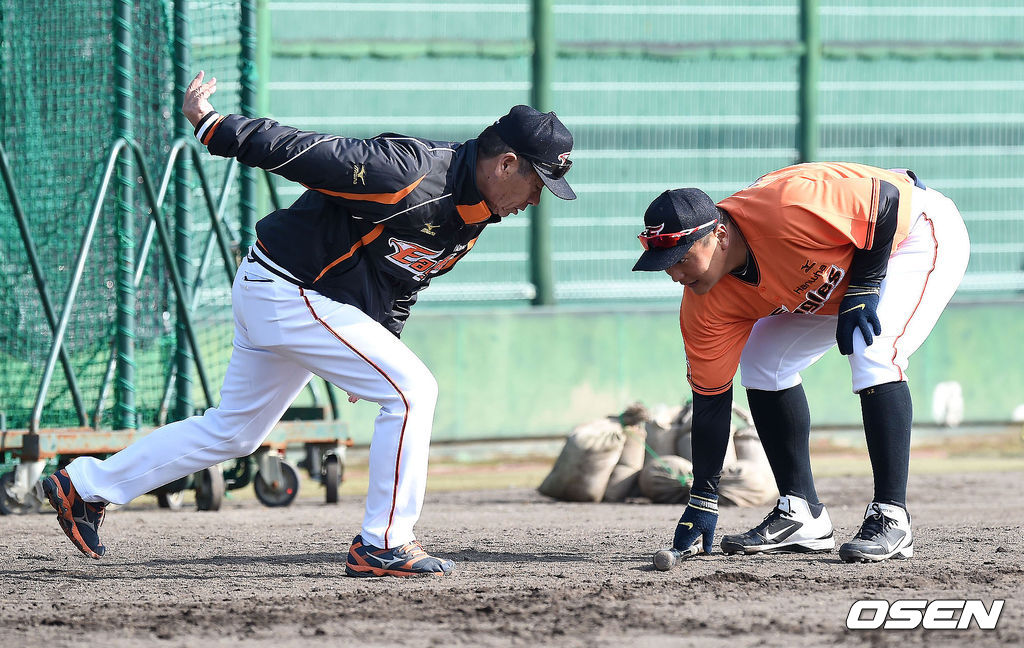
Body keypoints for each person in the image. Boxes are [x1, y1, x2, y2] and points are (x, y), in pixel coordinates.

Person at [41, 71, 576, 577]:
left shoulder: (475, 211)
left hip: (286, 295)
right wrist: (214, 126)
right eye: (538, 183)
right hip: (286, 290)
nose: (536, 200)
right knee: (413, 390)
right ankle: (384, 543)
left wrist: (378, 343)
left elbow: (403, 281)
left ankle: (85, 485)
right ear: (506, 164)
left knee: (236, 431)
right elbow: (309, 152)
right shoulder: (410, 171)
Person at [633, 162, 969, 566]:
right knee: (762, 361)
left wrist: (865, 284)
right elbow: (710, 401)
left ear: (719, 236)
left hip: (911, 235)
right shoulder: (705, 304)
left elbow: (887, 203)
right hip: (835, 276)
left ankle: (892, 517)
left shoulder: (785, 208)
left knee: (872, 351)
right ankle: (802, 513)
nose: (674, 274)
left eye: (681, 257)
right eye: (665, 263)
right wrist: (703, 497)